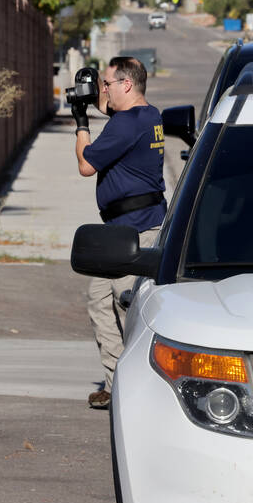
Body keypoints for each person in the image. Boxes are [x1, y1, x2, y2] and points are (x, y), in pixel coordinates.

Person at [72, 56, 166, 409]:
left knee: (127, 305)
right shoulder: (148, 115)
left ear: (126, 84)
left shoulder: (126, 125)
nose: (105, 91)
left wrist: (80, 121)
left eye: (108, 84)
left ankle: (140, 387)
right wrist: (93, 89)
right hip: (121, 229)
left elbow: (86, 164)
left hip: (137, 231)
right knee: (98, 299)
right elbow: (114, 114)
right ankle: (115, 383)